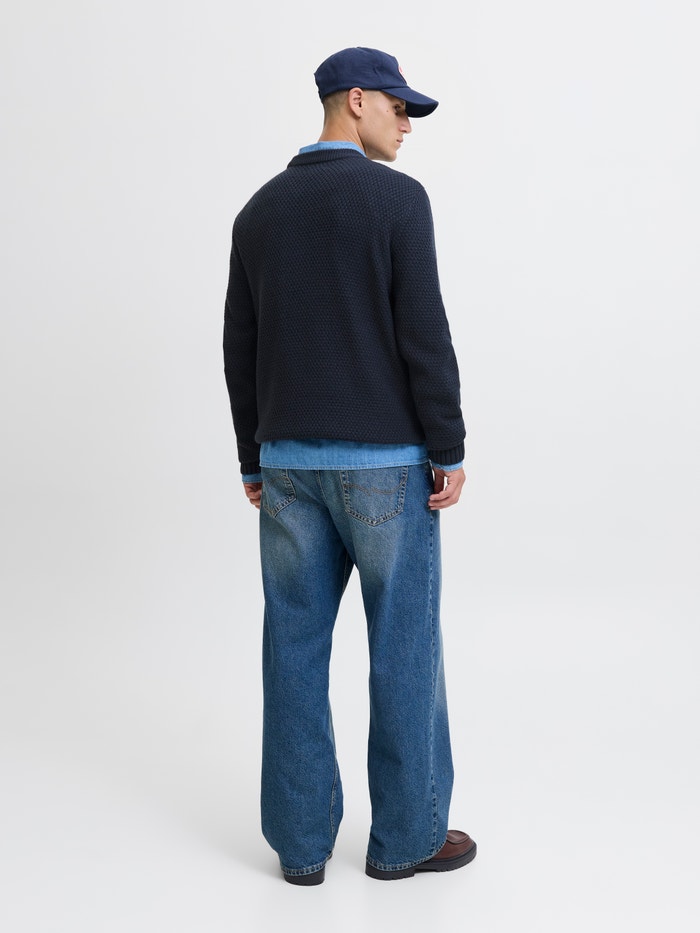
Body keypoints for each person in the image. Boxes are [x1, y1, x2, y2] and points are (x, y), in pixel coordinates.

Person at [223, 46, 476, 885]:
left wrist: (253, 454)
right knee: (404, 648)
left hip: (288, 468)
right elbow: (424, 332)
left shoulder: (259, 212)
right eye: (399, 108)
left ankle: (300, 846)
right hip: (386, 469)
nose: (408, 125)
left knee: (292, 649)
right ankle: (405, 838)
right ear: (355, 100)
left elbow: (239, 348)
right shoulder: (396, 201)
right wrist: (448, 446)